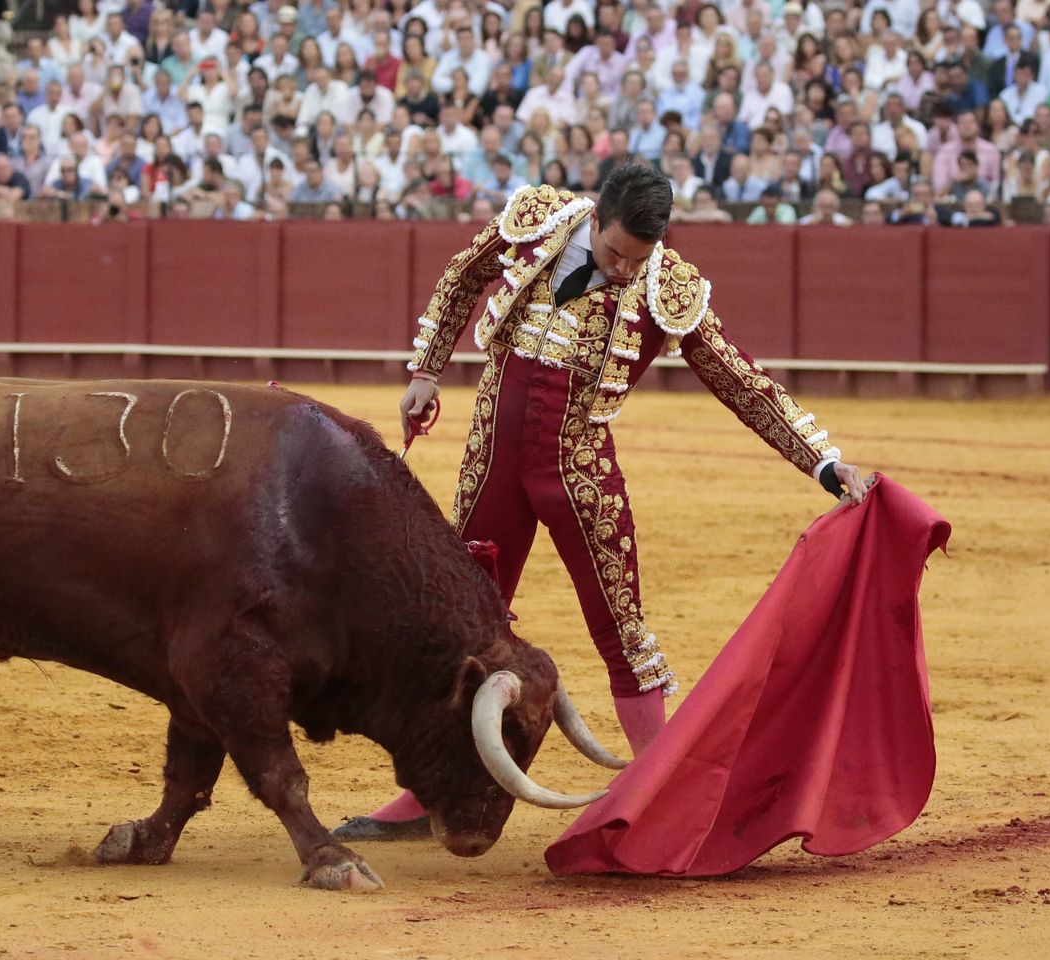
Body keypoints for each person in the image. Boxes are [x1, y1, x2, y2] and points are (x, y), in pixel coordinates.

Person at [334, 169, 865, 840]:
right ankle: (427, 792)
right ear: (596, 218)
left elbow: (741, 381)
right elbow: (462, 277)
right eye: (614, 254)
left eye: (639, 260)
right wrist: (425, 371)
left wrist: (821, 460)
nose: (623, 271)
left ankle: (663, 792)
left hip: (576, 470)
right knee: (457, 625)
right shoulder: (538, 219)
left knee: (622, 627)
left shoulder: (666, 285)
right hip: (493, 456)